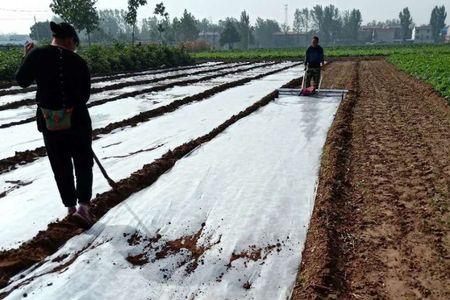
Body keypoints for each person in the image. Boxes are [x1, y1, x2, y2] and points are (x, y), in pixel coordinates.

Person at [16, 22, 93, 225]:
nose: (74, 48)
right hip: (77, 121)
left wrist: (26, 57)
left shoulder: (37, 54)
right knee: (83, 162)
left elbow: (22, 80)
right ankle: (84, 209)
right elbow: (85, 95)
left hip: (50, 122)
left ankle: (70, 208)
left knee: (60, 165)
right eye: (74, 44)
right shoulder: (78, 61)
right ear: (69, 40)